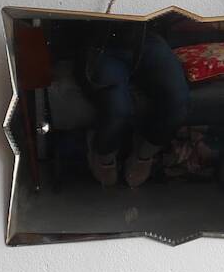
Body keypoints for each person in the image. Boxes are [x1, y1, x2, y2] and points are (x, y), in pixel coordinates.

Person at [78, 27, 190, 188]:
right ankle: (103, 155)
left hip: (146, 37)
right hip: (102, 41)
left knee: (178, 101)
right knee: (118, 110)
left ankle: (144, 155)